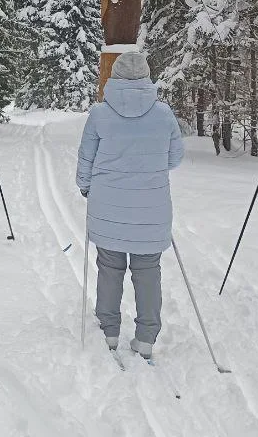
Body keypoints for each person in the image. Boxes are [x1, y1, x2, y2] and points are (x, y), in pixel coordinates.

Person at [75, 52, 184, 359]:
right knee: (148, 270)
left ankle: (109, 333)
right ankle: (146, 337)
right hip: (151, 207)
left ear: (115, 78)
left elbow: (86, 158)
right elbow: (174, 158)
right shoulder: (163, 114)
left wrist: (85, 186)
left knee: (110, 268)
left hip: (108, 204)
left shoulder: (100, 114)